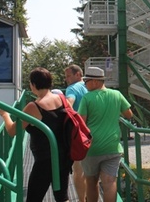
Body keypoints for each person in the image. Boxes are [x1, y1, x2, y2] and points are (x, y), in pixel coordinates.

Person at [0, 67, 71, 202]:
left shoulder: (34, 106)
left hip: (45, 160)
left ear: (33, 85)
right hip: (63, 155)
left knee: (33, 198)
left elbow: (12, 131)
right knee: (62, 197)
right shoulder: (62, 99)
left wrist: (5, 115)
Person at [78, 67, 133, 202]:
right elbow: (129, 115)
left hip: (92, 148)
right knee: (109, 183)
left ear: (95, 82)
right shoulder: (116, 95)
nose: (85, 84)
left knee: (91, 182)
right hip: (112, 146)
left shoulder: (87, 98)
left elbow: (81, 122)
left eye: (86, 81)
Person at [65, 64, 88, 202]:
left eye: (69, 76)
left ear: (78, 74)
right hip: (94, 132)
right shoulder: (91, 87)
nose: (66, 79)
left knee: (79, 171)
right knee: (91, 171)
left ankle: (81, 200)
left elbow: (69, 102)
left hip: (80, 135)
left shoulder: (72, 88)